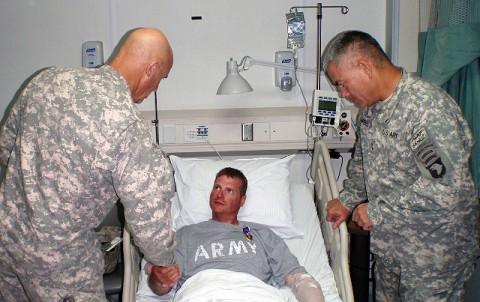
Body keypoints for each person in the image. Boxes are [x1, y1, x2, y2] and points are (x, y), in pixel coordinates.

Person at [0, 28, 177, 301]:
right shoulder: (127, 126)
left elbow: (6, 149)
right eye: (161, 79)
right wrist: (164, 261)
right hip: (59, 265)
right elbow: (149, 215)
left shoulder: (45, 80)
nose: (155, 89)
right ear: (151, 69)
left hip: (7, 238)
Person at [322, 30, 479, 301]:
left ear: (364, 66)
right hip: (392, 247)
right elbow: (363, 165)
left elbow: (447, 190)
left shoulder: (426, 110)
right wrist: (347, 200)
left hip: (434, 255)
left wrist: (377, 210)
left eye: (343, 84)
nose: (344, 94)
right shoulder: (371, 111)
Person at [147, 167, 325, 302]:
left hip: (254, 294)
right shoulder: (185, 235)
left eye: (229, 190)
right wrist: (160, 278)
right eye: (217, 187)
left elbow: (298, 278)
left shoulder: (262, 234)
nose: (220, 194)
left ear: (242, 201)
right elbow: (160, 286)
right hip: (202, 293)